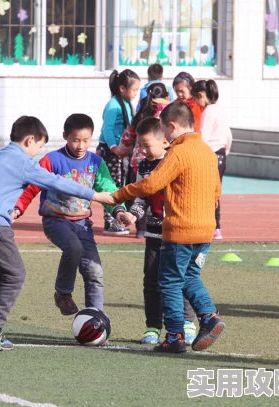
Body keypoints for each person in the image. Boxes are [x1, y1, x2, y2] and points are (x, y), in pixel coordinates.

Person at [0, 115, 113, 351]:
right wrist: (94, 195)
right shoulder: (22, 160)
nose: (39, 152)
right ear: (29, 140)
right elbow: (56, 182)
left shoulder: (1, 155)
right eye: (39, 146)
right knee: (15, 276)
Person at [110, 101, 225, 353]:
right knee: (190, 277)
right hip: (205, 229)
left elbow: (151, 185)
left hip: (180, 229)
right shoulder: (207, 151)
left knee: (170, 282)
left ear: (171, 126)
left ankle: (175, 336)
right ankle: (209, 316)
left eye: (164, 128)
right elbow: (217, 191)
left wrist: (118, 196)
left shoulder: (178, 153)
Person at [14, 114, 135, 316]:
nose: (80, 145)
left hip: (83, 224)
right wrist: (18, 208)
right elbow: (31, 187)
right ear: (65, 136)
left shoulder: (96, 162)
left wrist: (119, 211)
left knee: (94, 270)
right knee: (73, 248)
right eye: (75, 140)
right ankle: (63, 293)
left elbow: (108, 189)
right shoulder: (52, 160)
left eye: (86, 140)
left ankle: (95, 317)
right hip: (56, 221)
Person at [126, 117, 197, 346]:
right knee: (151, 281)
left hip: (177, 234)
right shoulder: (143, 166)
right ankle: (153, 326)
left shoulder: (174, 160)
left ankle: (187, 323)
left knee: (179, 278)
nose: (143, 150)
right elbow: (141, 197)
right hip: (154, 234)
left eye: (147, 145)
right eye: (140, 146)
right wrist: (132, 215)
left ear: (164, 141)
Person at [116, 82, 170, 238]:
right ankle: (142, 227)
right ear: (166, 97)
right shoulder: (167, 114)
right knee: (143, 193)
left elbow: (128, 135)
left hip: (137, 161)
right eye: (141, 145)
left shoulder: (142, 112)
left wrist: (122, 149)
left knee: (139, 192)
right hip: (148, 162)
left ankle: (140, 229)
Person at [97, 69, 140, 235]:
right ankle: (110, 222)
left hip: (120, 150)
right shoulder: (114, 106)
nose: (136, 93)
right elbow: (107, 128)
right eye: (134, 89)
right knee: (111, 185)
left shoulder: (126, 103)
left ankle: (117, 218)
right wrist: (114, 147)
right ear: (122, 88)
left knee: (120, 184)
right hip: (111, 151)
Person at [192, 80, 232, 241]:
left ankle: (211, 225)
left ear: (201, 95)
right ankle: (216, 227)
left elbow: (204, 137)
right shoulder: (220, 110)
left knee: (204, 192)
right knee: (215, 192)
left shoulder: (208, 111)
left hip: (210, 155)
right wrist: (225, 152)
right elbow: (229, 135)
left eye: (196, 100)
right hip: (221, 154)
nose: (197, 104)